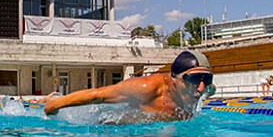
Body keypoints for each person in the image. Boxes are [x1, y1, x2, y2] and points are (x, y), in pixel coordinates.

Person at [43, 50, 214, 121]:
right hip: (112, 128)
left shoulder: (202, 89)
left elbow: (209, 89)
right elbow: (98, 95)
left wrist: (208, 86)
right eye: (193, 79)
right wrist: (56, 104)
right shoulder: (147, 89)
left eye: (205, 80)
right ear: (174, 77)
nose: (200, 88)